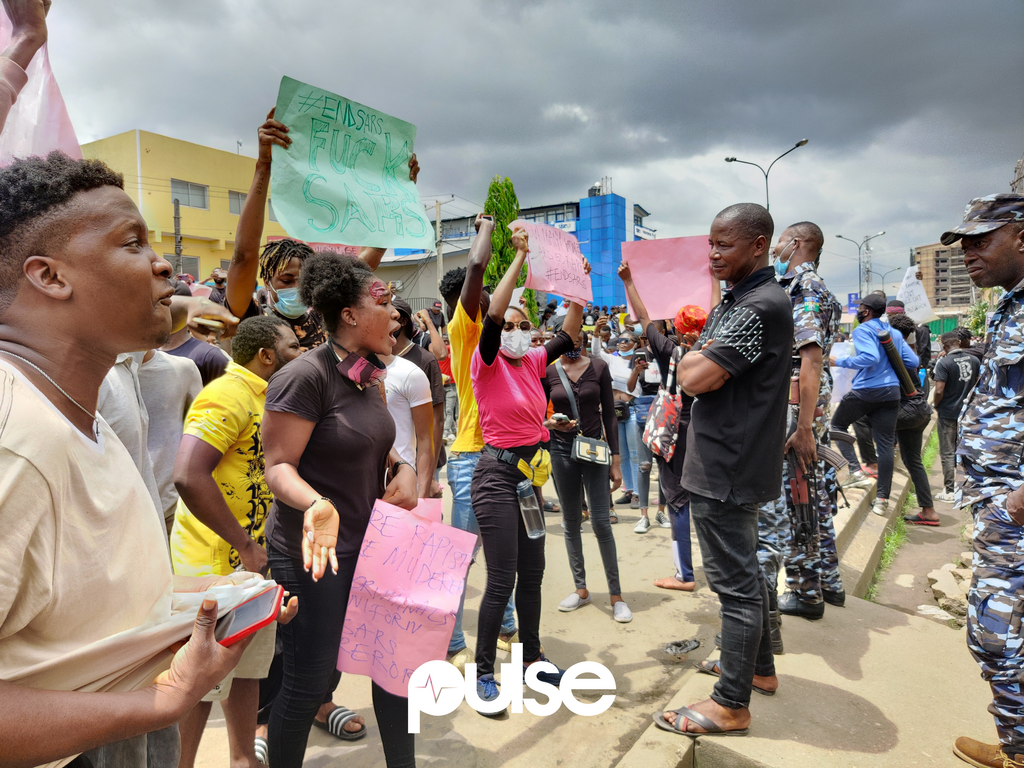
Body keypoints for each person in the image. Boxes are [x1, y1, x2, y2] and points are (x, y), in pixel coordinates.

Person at [0, 151, 252, 767]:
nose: (163, 263)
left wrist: (201, 598)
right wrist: (164, 702)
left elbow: (71, 608)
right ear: (51, 276)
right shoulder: (15, 442)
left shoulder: (86, 416)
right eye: (132, 242)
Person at [261, 251, 418, 768]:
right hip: (316, 555)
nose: (396, 314)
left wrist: (404, 468)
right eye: (385, 302)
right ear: (349, 315)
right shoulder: (304, 377)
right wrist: (317, 503)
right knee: (309, 680)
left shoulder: (365, 375)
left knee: (393, 670)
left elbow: (371, 441)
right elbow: (279, 465)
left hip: (372, 547)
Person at [655, 203, 790, 737]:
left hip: (726, 466)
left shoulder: (759, 307)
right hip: (732, 460)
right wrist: (700, 355)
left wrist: (698, 357)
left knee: (734, 588)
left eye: (725, 244)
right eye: (710, 244)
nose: (713, 254)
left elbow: (691, 376)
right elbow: (696, 364)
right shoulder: (744, 301)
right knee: (748, 576)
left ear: (758, 245)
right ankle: (758, 670)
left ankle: (730, 703)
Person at [171, 315, 302, 768]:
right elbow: (188, 474)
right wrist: (245, 544)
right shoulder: (227, 395)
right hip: (211, 567)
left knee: (248, 667)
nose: (300, 353)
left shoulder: (271, 399)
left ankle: (243, 759)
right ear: (266, 355)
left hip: (249, 566)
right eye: (292, 347)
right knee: (200, 678)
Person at [470, 226, 588, 709]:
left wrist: (578, 289)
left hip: (528, 483)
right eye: (511, 325)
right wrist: (518, 260)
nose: (517, 330)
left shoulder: (533, 361)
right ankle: (482, 672)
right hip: (495, 479)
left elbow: (569, 333)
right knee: (501, 580)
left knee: (534, 573)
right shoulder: (489, 361)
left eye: (523, 324)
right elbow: (494, 315)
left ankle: (533, 658)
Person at [938, 193, 1024, 768]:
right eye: (963, 242)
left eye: (982, 239)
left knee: (997, 636)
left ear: (1020, 235)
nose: (969, 252)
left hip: (1015, 509)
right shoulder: (1009, 306)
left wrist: (1016, 504)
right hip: (1001, 502)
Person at [225, 110, 419, 352]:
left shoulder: (322, 316)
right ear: (267, 282)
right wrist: (264, 164)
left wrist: (398, 191)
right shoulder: (250, 317)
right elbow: (244, 256)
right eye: (286, 280)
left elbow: (371, 255)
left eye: (302, 280)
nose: (296, 287)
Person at [439, 227, 520, 673]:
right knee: (462, 558)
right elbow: (475, 266)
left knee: (500, 550)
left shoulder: (498, 339)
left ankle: (507, 626)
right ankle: (452, 644)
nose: (497, 302)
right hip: (471, 460)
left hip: (502, 460)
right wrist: (486, 229)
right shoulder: (465, 330)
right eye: (488, 295)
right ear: (473, 303)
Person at [768, 222, 846, 622]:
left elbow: (811, 359)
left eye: (780, 240)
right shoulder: (815, 286)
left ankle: (805, 591)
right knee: (815, 491)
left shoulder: (805, 288)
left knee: (798, 495)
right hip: (809, 405)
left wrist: (801, 429)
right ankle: (829, 580)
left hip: (800, 406)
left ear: (796, 243)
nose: (776, 246)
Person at [620, 264, 712, 595]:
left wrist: (629, 281)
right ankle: (715, 570)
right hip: (706, 432)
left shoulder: (669, 353)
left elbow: (644, 318)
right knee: (706, 500)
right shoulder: (715, 354)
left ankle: (684, 573)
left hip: (673, 433)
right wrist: (715, 280)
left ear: (677, 327)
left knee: (677, 501)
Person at [543, 328, 629, 622]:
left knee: (602, 523)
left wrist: (616, 461)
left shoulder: (599, 366)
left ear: (582, 338)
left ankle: (616, 595)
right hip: (561, 453)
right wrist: (551, 424)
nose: (573, 344)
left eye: (578, 338)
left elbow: (609, 415)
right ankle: (581, 589)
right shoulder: (548, 370)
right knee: (570, 522)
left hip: (595, 452)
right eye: (567, 339)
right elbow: (539, 414)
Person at [831, 292, 918, 516]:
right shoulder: (894, 333)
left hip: (867, 390)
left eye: (859, 307)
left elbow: (870, 358)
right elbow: (913, 361)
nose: (857, 311)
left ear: (867, 311)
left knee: (837, 426)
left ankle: (855, 469)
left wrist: (838, 361)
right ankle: (882, 501)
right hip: (892, 393)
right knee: (886, 445)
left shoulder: (862, 330)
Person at [139, 348, 203, 532]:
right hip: (120, 507)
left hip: (172, 508)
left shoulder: (183, 369)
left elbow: (200, 434)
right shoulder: (103, 372)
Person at [884, 312, 939, 526]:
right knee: (913, 461)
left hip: (906, 411)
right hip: (919, 411)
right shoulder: (909, 352)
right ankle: (929, 511)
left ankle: (873, 478)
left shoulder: (893, 355)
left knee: (865, 422)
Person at [591, 321, 641, 512]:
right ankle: (628, 490)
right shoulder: (612, 359)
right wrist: (596, 334)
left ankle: (638, 491)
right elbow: (596, 353)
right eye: (619, 340)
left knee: (635, 453)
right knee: (623, 454)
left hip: (632, 409)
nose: (621, 343)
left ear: (635, 343)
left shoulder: (638, 361)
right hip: (614, 412)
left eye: (626, 340)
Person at [627, 331, 669, 533]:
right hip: (644, 411)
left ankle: (661, 511)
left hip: (666, 411)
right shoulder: (640, 353)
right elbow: (630, 386)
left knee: (664, 465)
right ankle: (643, 515)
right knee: (644, 465)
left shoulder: (670, 351)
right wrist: (636, 370)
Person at [381, 344, 436, 499]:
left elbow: (425, 437)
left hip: (401, 485)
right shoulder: (342, 372)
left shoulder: (410, 374)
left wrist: (422, 496)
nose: (395, 318)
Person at [933, 330, 980, 503]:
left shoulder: (944, 363)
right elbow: (977, 384)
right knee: (966, 450)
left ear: (944, 346)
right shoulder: (974, 360)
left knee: (947, 452)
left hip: (948, 413)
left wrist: (935, 404)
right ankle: (968, 487)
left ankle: (950, 490)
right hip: (968, 413)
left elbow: (939, 390)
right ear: (959, 343)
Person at [162, 323, 231, 386]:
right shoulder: (154, 352)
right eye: (208, 342)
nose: (210, 345)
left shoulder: (215, 357)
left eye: (215, 342)